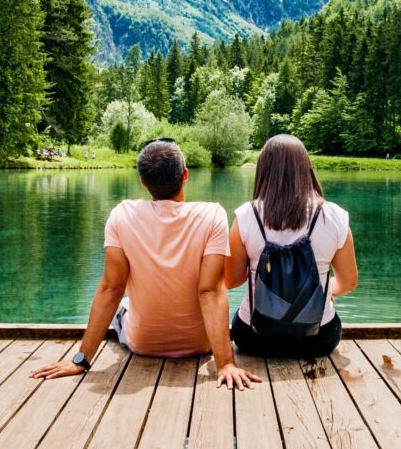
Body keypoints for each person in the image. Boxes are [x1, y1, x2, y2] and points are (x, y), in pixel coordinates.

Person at [31, 139, 260, 389]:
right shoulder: (212, 216)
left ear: (143, 182)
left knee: (122, 305)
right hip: (200, 344)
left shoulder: (121, 215)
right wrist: (226, 364)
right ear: (185, 175)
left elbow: (111, 288)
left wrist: (81, 359)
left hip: (142, 343)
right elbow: (211, 292)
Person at [225, 134, 359, 358]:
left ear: (264, 170)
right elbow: (349, 282)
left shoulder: (247, 216)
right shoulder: (334, 216)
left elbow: (232, 280)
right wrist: (324, 292)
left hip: (254, 338)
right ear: (306, 168)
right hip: (318, 339)